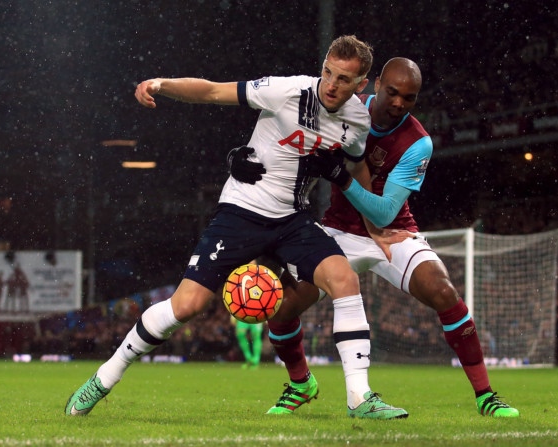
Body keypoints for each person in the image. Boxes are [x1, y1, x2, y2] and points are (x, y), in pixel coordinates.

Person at [64, 35, 407, 420]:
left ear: (361, 85)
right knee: (186, 306)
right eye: (328, 72)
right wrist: (161, 84)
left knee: (344, 279)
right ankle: (103, 377)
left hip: (293, 219)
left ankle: (360, 398)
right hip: (241, 213)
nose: (331, 84)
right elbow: (211, 92)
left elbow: (357, 167)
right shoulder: (286, 91)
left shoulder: (357, 119)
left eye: (344, 79)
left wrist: (373, 224)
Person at [229, 57, 520, 418]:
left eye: (409, 98)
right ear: (376, 84)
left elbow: (382, 213)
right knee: (281, 307)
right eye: (393, 92)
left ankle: (485, 395)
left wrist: (341, 176)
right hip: (336, 232)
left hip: (392, 235)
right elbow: (292, 139)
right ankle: (301, 383)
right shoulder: (345, 109)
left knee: (444, 292)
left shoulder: (418, 142)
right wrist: (245, 160)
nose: (398, 103)